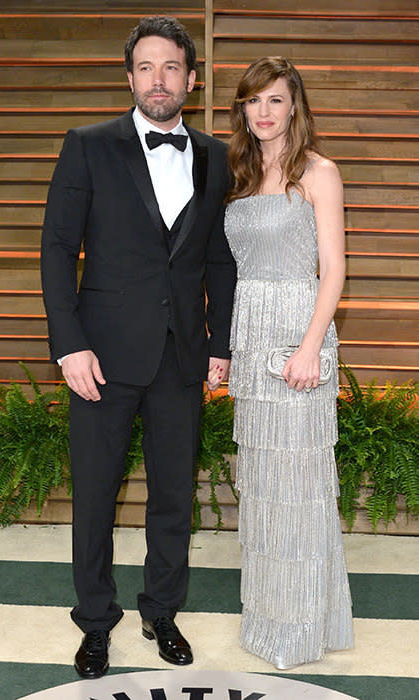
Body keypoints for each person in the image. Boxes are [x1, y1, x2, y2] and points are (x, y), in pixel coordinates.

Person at [41, 16, 236, 679]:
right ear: (129, 78)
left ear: (191, 78)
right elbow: (57, 249)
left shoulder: (214, 155)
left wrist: (221, 343)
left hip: (182, 357)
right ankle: (95, 624)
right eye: (147, 67)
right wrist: (69, 346)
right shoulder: (87, 145)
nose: (160, 79)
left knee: (173, 499)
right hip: (100, 357)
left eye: (172, 67)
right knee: (94, 498)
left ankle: (162, 612)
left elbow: (219, 259)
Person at [224, 56, 353, 668]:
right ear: (242, 110)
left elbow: (335, 271)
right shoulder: (240, 173)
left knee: (300, 490)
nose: (265, 112)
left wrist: (309, 347)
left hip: (297, 337)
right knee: (265, 490)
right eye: (254, 102)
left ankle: (302, 628)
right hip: (250, 342)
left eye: (276, 100)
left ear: (295, 105)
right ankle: (270, 618)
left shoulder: (320, 173)